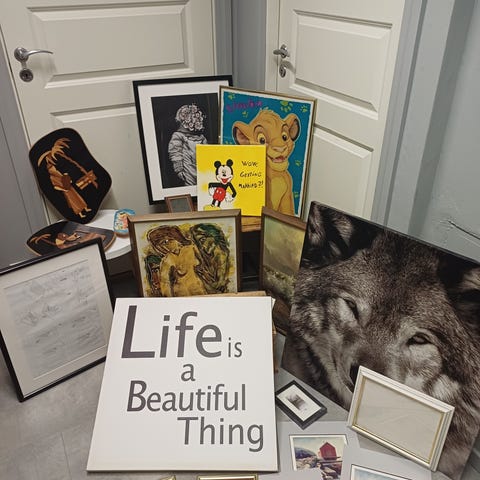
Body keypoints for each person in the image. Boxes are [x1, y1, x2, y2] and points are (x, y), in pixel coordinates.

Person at [146, 225, 207, 297]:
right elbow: (165, 285)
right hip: (180, 294)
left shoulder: (192, 249)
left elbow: (205, 267)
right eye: (159, 245)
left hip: (199, 290)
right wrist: (170, 300)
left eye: (166, 242)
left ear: (176, 237)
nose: (164, 247)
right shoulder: (166, 260)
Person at [168, 104, 208, 186]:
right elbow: (175, 153)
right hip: (187, 170)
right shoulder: (178, 136)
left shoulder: (202, 138)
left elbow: (207, 154)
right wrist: (179, 169)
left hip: (201, 170)